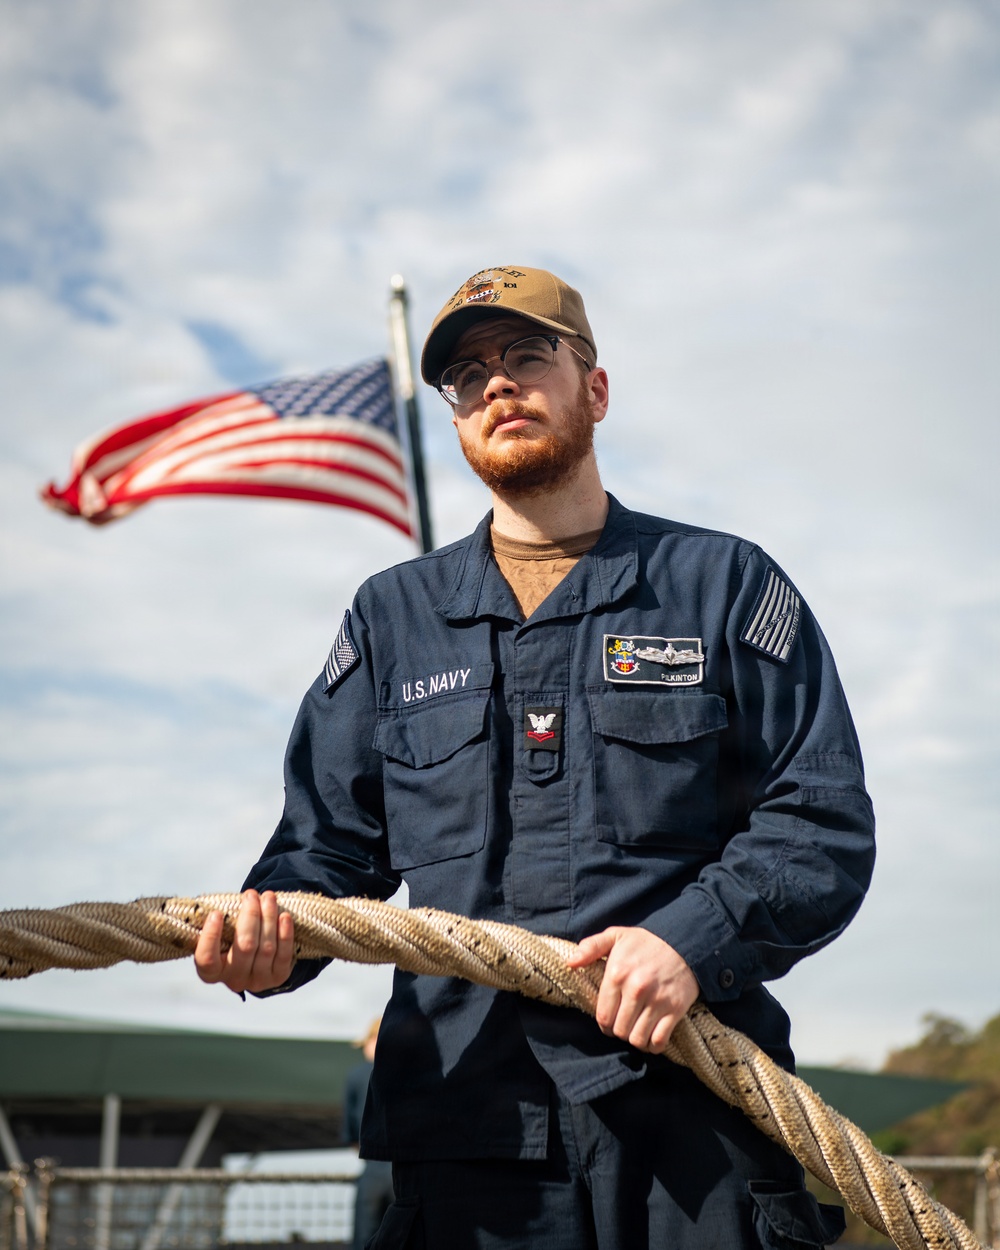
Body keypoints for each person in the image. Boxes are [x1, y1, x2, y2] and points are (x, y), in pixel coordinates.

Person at [195, 266, 875, 1249]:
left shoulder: (724, 583)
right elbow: (323, 850)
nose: (497, 385)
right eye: (468, 376)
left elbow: (818, 824)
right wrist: (270, 933)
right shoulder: (392, 617)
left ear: (592, 389)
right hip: (467, 1140)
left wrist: (690, 934)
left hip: (692, 1122)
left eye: (526, 356)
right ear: (458, 418)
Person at [343, 1018, 395, 1250]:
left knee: (364, 1240)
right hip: (405, 1171)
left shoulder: (356, 1077)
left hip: (372, 1168)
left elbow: (350, 1134)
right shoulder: (410, 1072)